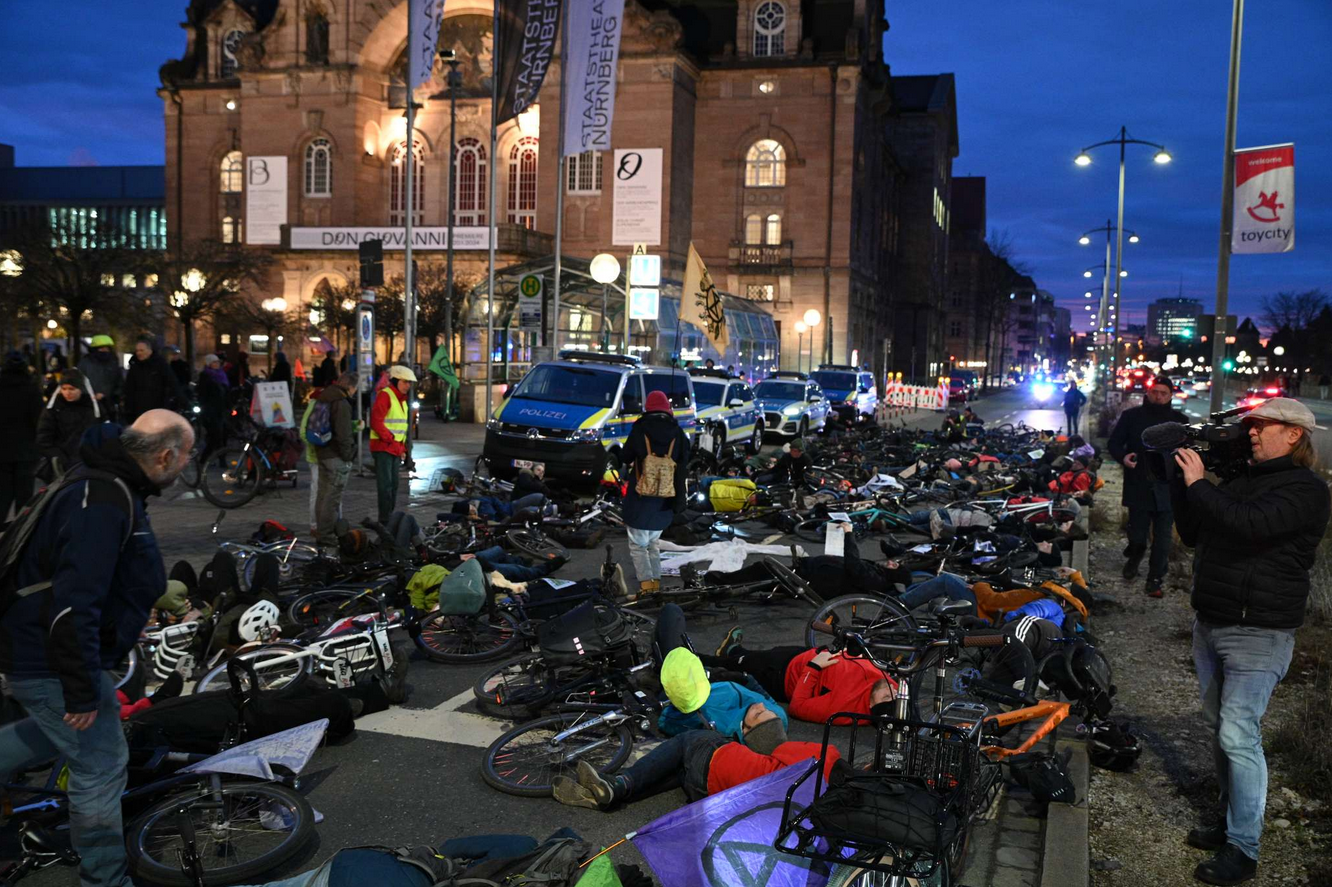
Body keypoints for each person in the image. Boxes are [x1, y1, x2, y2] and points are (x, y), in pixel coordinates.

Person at [0, 410, 194, 887]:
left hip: (38, 651)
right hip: (46, 657)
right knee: (102, 765)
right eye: (187, 456)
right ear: (167, 455)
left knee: (60, 735)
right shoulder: (104, 498)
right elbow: (73, 604)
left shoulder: (106, 481)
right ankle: (104, 880)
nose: (186, 467)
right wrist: (82, 688)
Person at [1170, 398, 1331, 885]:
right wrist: (1181, 479)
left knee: (1239, 734)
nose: (1253, 433)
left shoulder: (1307, 490)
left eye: (1264, 426)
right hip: (1214, 620)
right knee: (1222, 729)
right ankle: (1230, 816)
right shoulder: (1245, 480)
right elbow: (1196, 531)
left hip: (1259, 629)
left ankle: (1244, 847)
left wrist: (1202, 484)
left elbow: (1251, 524)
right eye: (1251, 427)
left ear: (1295, 436)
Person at [553, 710, 839, 810]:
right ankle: (603, 796)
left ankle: (619, 783)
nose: (762, 708)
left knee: (688, 740)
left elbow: (778, 751)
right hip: (713, 793)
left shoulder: (826, 752)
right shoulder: (825, 797)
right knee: (679, 770)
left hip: (718, 762)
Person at [698, 633, 897, 725]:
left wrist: (814, 667)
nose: (893, 691)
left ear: (871, 706)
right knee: (751, 656)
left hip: (782, 674)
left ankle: (694, 657)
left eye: (886, 697)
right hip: (803, 654)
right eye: (894, 696)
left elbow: (797, 707)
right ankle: (734, 650)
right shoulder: (889, 686)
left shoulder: (841, 709)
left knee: (731, 665)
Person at [1107, 374, 1188, 597]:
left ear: (1171, 395)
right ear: (1148, 392)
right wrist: (1123, 457)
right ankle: (1134, 557)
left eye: (1164, 393)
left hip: (1168, 489)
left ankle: (1155, 579)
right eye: (1155, 392)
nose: (1159, 397)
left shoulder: (1180, 422)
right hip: (1139, 484)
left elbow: (1189, 453)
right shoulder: (1132, 416)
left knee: (1162, 539)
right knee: (1138, 536)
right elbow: (1114, 443)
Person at [622, 389, 689, 597]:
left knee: (638, 545)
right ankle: (655, 584)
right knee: (652, 544)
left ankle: (647, 587)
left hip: (641, 498)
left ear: (647, 407)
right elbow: (684, 466)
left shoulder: (640, 429)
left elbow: (625, 456)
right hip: (665, 500)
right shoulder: (678, 433)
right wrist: (680, 501)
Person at [312, 371, 358, 547]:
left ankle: (321, 531)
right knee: (332, 498)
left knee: (322, 495)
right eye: (355, 388)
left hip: (322, 451)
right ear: (350, 386)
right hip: (335, 455)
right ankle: (326, 535)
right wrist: (348, 457)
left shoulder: (325, 395)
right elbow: (344, 434)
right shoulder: (341, 402)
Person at [370, 365, 415, 524]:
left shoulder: (401, 400)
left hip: (393, 448)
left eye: (409, 383)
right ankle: (385, 521)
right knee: (386, 487)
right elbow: (376, 422)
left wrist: (401, 448)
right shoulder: (386, 396)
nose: (408, 386)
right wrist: (391, 439)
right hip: (383, 448)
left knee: (393, 486)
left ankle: (388, 519)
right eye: (405, 382)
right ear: (396, 381)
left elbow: (401, 428)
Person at [0, 351, 42, 520]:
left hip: (2, 449)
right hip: (26, 449)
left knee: (2, 494)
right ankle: (20, 533)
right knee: (24, 496)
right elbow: (38, 420)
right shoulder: (31, 390)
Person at [36, 368, 101, 476]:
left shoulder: (93, 408)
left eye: (72, 389)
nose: (67, 393)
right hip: (61, 465)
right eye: (64, 388)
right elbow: (44, 438)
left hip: (88, 463)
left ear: (80, 389)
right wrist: (59, 458)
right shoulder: (53, 409)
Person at [122, 337, 181, 423]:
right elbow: (129, 388)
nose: (138, 353)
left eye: (141, 350)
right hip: (138, 410)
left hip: (157, 407)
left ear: (149, 351)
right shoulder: (134, 366)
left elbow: (172, 383)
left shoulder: (160, 365)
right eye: (137, 350)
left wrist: (182, 401)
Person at [78, 334, 124, 420]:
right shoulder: (85, 363)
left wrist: (109, 395)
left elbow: (119, 383)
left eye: (107, 348)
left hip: (109, 406)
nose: (105, 351)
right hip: (89, 406)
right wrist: (91, 395)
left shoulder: (113, 363)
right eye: (101, 348)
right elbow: (79, 382)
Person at [195, 354, 230, 459]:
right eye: (214, 362)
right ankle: (206, 459)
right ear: (209, 364)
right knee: (216, 436)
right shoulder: (205, 376)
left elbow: (225, 392)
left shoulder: (221, 375)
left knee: (222, 435)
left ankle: (218, 458)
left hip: (221, 410)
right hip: (210, 411)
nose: (217, 364)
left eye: (218, 362)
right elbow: (203, 394)